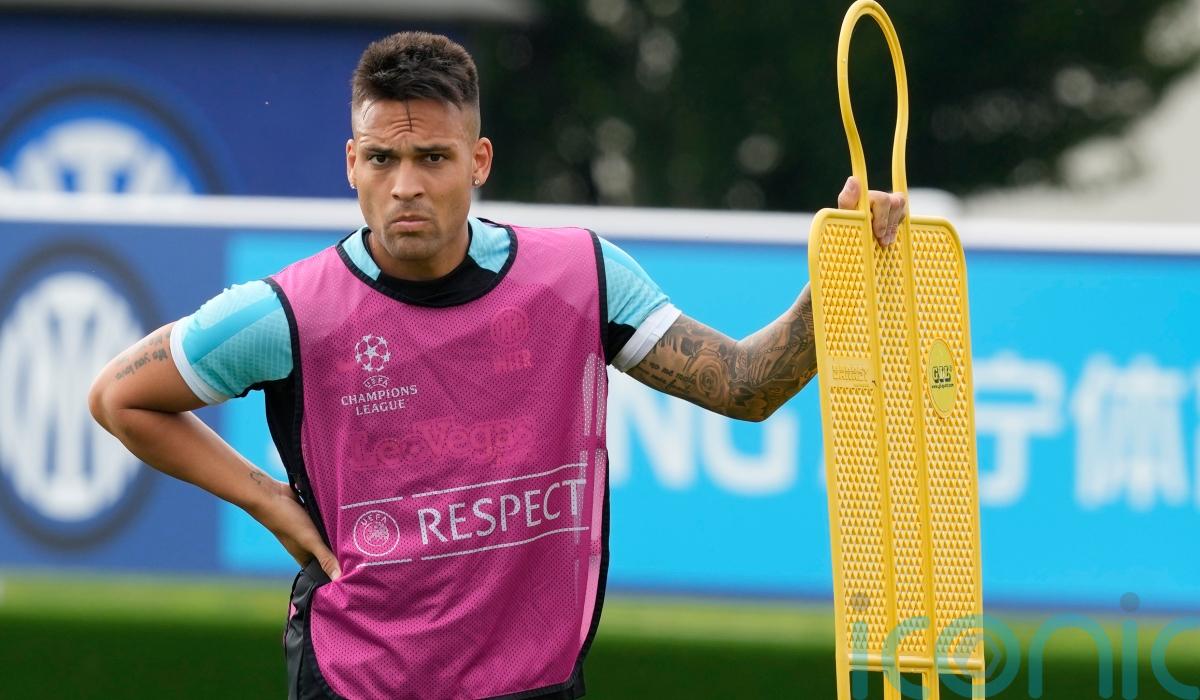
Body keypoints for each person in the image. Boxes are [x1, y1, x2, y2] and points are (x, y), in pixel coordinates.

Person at [88, 31, 905, 700]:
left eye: (433, 158)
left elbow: (748, 385)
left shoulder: (581, 276)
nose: (405, 186)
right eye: (382, 160)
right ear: (351, 164)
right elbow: (120, 397)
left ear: (478, 161)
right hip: (358, 680)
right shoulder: (287, 311)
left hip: (536, 684)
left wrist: (844, 264)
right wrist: (270, 503)